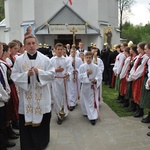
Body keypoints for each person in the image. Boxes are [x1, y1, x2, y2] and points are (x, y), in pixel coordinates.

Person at [11, 35, 55, 150]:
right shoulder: (19, 61)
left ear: (37, 44)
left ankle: (41, 145)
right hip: (26, 102)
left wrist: (39, 73)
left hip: (42, 100)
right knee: (27, 129)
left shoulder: (45, 59)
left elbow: (52, 74)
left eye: (33, 43)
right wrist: (27, 75)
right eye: (28, 44)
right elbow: (14, 76)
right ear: (24, 46)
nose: (31, 46)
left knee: (42, 127)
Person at [50, 43, 72, 125]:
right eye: (58, 49)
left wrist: (68, 74)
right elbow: (48, 70)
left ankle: (64, 112)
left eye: (61, 49)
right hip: (56, 81)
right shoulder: (52, 60)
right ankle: (58, 114)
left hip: (64, 81)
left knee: (64, 97)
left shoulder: (66, 60)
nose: (59, 51)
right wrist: (55, 70)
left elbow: (70, 69)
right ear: (55, 50)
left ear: (63, 50)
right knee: (56, 97)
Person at [79, 51, 101, 125]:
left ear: (92, 58)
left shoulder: (96, 67)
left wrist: (96, 80)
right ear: (85, 58)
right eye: (87, 57)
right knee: (84, 100)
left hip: (92, 87)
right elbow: (80, 77)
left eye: (90, 58)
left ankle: (92, 117)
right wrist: (86, 74)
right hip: (85, 86)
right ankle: (86, 112)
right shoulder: (82, 67)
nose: (88, 59)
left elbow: (99, 76)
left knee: (91, 102)